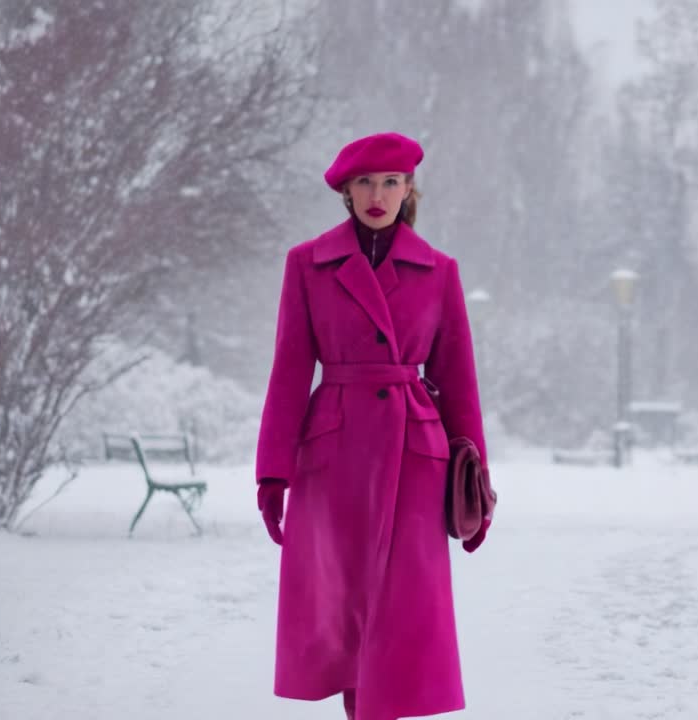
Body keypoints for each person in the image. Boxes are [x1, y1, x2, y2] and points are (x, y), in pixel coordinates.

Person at [254, 132, 491, 720]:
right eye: (364, 182)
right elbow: (288, 371)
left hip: (415, 454)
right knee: (342, 604)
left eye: (390, 182)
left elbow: (459, 380)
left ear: (410, 188)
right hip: (334, 453)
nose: (377, 194)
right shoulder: (307, 264)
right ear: (346, 192)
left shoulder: (439, 270)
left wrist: (477, 487)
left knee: (402, 609)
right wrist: (272, 474)